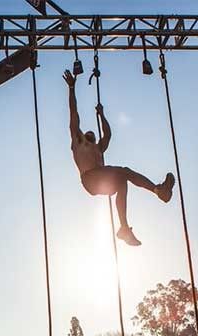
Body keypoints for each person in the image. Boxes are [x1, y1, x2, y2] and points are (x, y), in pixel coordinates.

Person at [63, 70, 175, 246]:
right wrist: (71, 87)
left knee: (122, 181)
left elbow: (107, 134)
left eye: (93, 133)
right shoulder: (79, 141)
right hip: (90, 178)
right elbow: (73, 114)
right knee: (124, 172)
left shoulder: (98, 148)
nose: (91, 133)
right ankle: (157, 190)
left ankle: (124, 227)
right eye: (89, 132)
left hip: (99, 181)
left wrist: (101, 114)